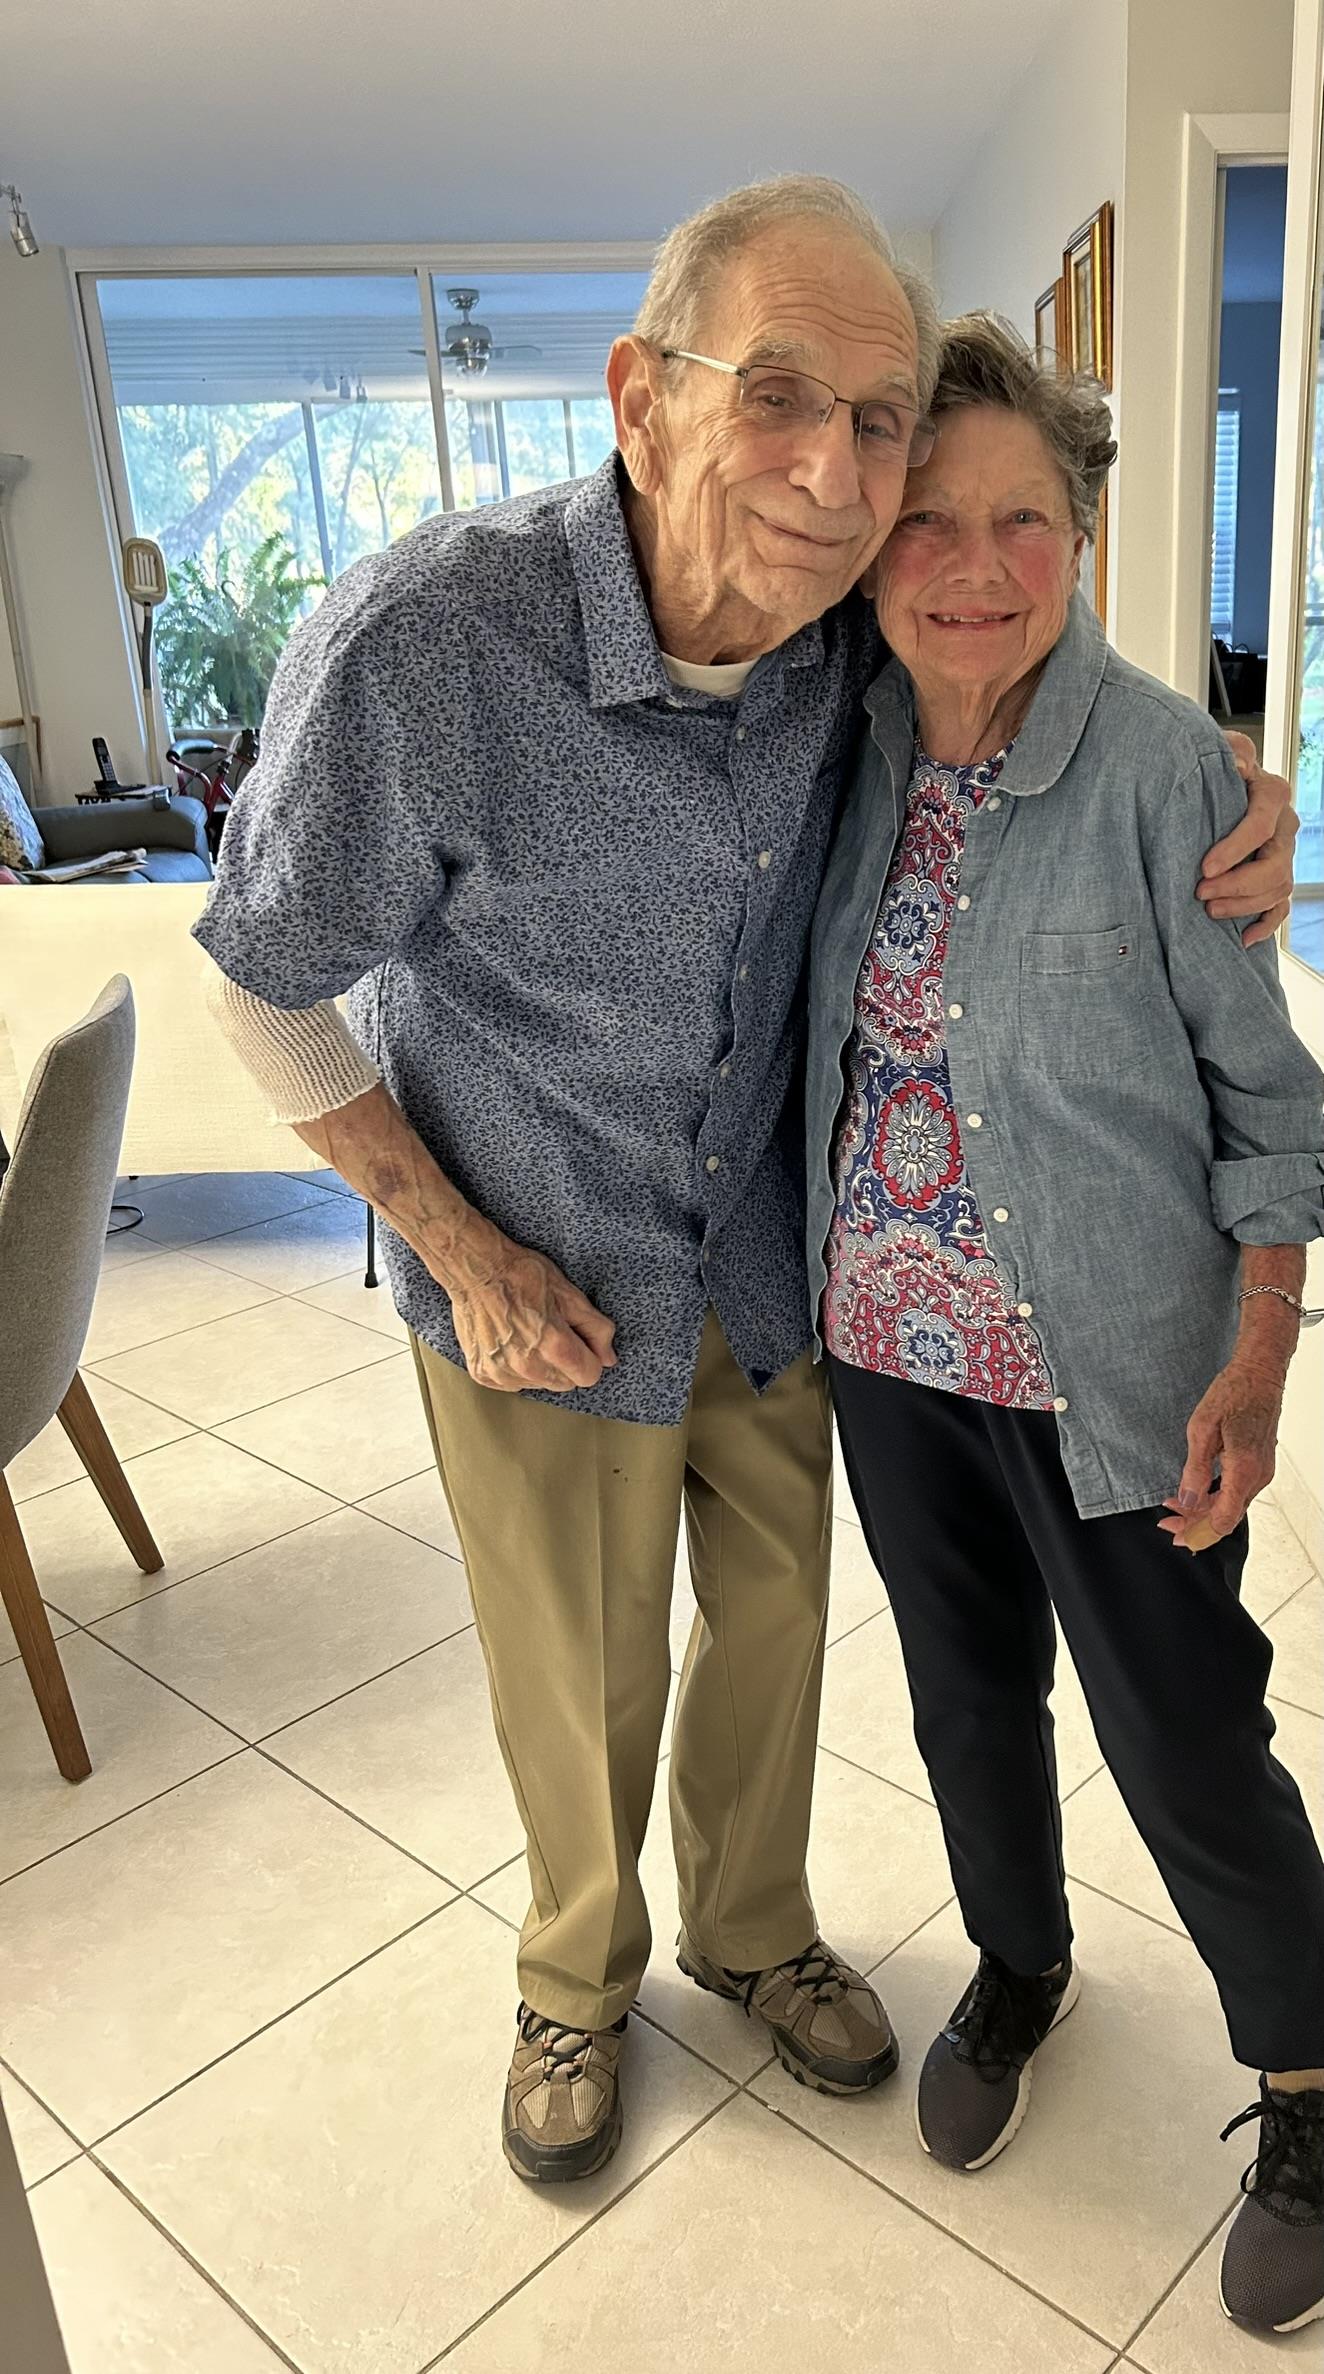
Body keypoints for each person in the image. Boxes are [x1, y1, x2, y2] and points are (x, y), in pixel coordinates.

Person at [195, 181, 1296, 2190]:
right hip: (540, 1280)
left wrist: (1220, 781)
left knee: (777, 1639)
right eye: (775, 397)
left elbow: (1006, 625)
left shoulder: (835, 649)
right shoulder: (430, 647)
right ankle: (573, 1976)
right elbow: (258, 981)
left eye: (871, 420)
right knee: (580, 1668)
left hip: (788, 1275)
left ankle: (753, 1927)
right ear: (639, 396)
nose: (834, 471)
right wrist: (459, 1245)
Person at [806, 312, 1324, 2338]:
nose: (972, 563)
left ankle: (1301, 2078)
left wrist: (1256, 1357)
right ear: (865, 547)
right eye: (924, 518)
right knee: (961, 1704)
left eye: (1022, 516)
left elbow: (1274, 1105)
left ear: (1083, 537)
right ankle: (1016, 1959)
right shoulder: (833, 734)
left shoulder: (1160, 768)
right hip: (885, 1352)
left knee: (1185, 1735)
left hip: (1110, 1362)